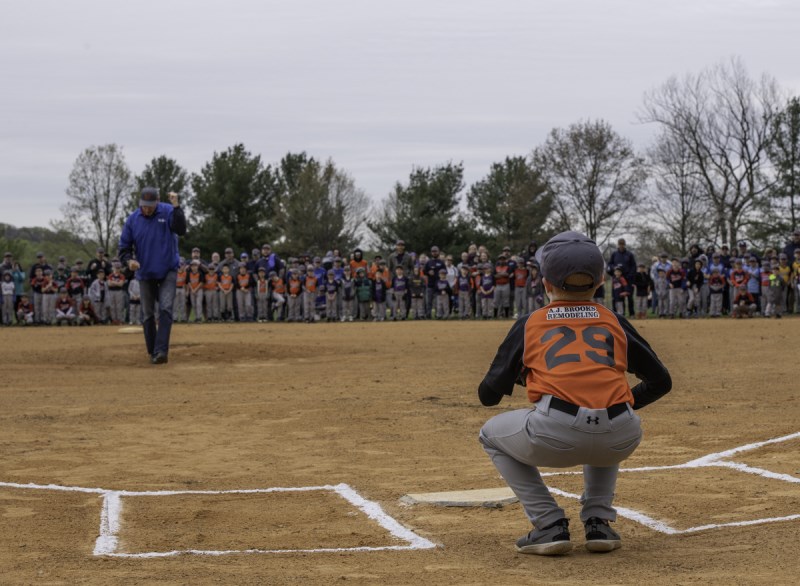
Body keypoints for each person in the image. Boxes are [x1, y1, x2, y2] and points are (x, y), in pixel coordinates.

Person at [477, 230, 671, 556]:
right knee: (604, 410)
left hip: (555, 434)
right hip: (621, 435)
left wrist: (526, 376)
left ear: (546, 283)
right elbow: (661, 381)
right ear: (601, 282)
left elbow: (488, 396)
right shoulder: (614, 320)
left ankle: (548, 523)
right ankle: (599, 522)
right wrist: (622, 403)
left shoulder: (530, 323)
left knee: (489, 435)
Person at [118, 188, 187, 364]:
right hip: (145, 271)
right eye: (144, 205)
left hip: (168, 269)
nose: (147, 209)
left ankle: (161, 351)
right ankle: (152, 351)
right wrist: (129, 261)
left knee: (165, 308)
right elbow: (124, 248)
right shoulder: (133, 219)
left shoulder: (168, 211)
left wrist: (177, 207)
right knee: (148, 313)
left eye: (150, 205)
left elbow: (181, 230)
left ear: (157, 201)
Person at [607, 239, 637, 317]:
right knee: (616, 297)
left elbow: (634, 266)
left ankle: (632, 313)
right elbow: (609, 265)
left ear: (624, 245)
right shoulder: (614, 254)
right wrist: (614, 269)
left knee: (629, 297)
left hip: (628, 279)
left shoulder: (629, 254)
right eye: (620, 244)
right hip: (617, 280)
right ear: (618, 245)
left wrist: (630, 275)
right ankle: (616, 314)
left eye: (622, 244)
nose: (621, 245)